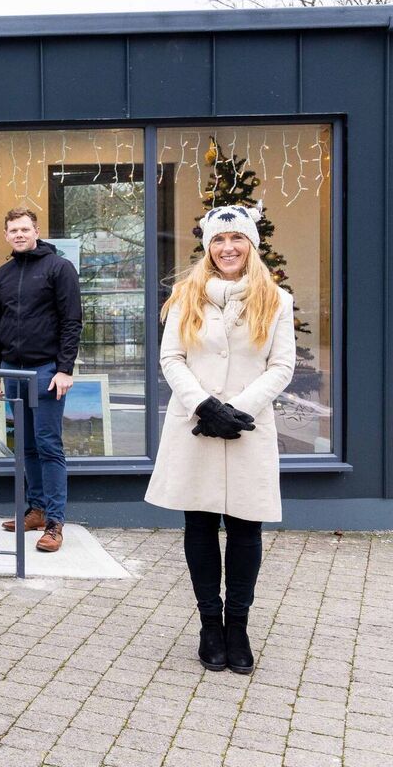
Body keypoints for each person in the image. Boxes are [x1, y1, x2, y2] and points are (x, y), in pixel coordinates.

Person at [146, 205, 294, 675]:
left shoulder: (277, 300)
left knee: (247, 528)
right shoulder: (185, 296)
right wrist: (205, 406)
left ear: (251, 244)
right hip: (196, 426)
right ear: (208, 247)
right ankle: (210, 624)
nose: (227, 248)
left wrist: (238, 410)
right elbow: (171, 358)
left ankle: (239, 626)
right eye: (218, 240)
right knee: (201, 525)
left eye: (237, 239)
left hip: (248, 430)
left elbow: (281, 366)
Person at [0, 207, 82, 552]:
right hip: (11, 370)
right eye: (13, 230)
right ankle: (36, 510)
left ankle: (55, 522)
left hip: (46, 371)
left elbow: (72, 321)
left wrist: (64, 369)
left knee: (48, 444)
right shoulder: (2, 275)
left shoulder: (59, 268)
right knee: (25, 444)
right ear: (6, 235)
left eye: (25, 228)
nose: (19, 234)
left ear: (36, 231)